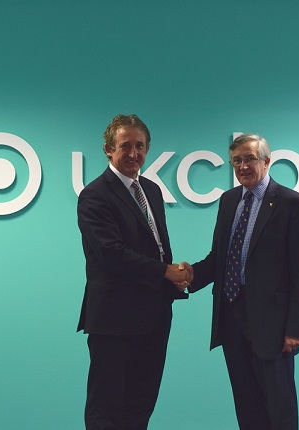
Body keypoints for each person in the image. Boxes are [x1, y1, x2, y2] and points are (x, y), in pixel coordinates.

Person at [181, 133, 299, 430]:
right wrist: (192, 275)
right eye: (236, 161)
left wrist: (297, 329)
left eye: (250, 159)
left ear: (266, 162)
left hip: (273, 325)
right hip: (231, 318)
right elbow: (219, 257)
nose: (243, 166)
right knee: (246, 405)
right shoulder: (229, 201)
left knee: (279, 407)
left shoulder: (292, 203)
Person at [76, 114, 189, 430]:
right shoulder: (95, 195)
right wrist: (165, 272)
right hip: (114, 320)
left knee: (140, 406)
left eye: (140, 146)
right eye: (125, 146)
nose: (133, 153)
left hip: (154, 316)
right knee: (107, 410)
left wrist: (173, 276)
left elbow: (156, 247)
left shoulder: (151, 189)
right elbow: (111, 255)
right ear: (108, 149)